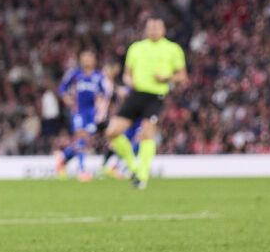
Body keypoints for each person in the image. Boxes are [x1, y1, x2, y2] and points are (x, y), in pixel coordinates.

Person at [105, 17, 186, 191]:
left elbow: (182, 76)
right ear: (146, 29)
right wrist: (129, 81)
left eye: (157, 27)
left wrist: (167, 78)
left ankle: (142, 175)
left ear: (164, 29)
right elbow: (127, 74)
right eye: (151, 27)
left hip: (155, 96)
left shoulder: (172, 49)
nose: (154, 30)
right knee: (112, 132)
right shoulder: (136, 48)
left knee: (147, 133)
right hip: (136, 94)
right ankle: (133, 166)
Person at [56, 49, 109, 180]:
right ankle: (81, 171)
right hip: (78, 111)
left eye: (89, 58)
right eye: (84, 58)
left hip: (92, 113)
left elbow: (105, 94)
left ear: (94, 60)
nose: (86, 60)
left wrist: (101, 108)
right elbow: (62, 87)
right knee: (81, 138)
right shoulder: (75, 74)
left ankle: (63, 158)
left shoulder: (98, 76)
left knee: (85, 142)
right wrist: (66, 98)